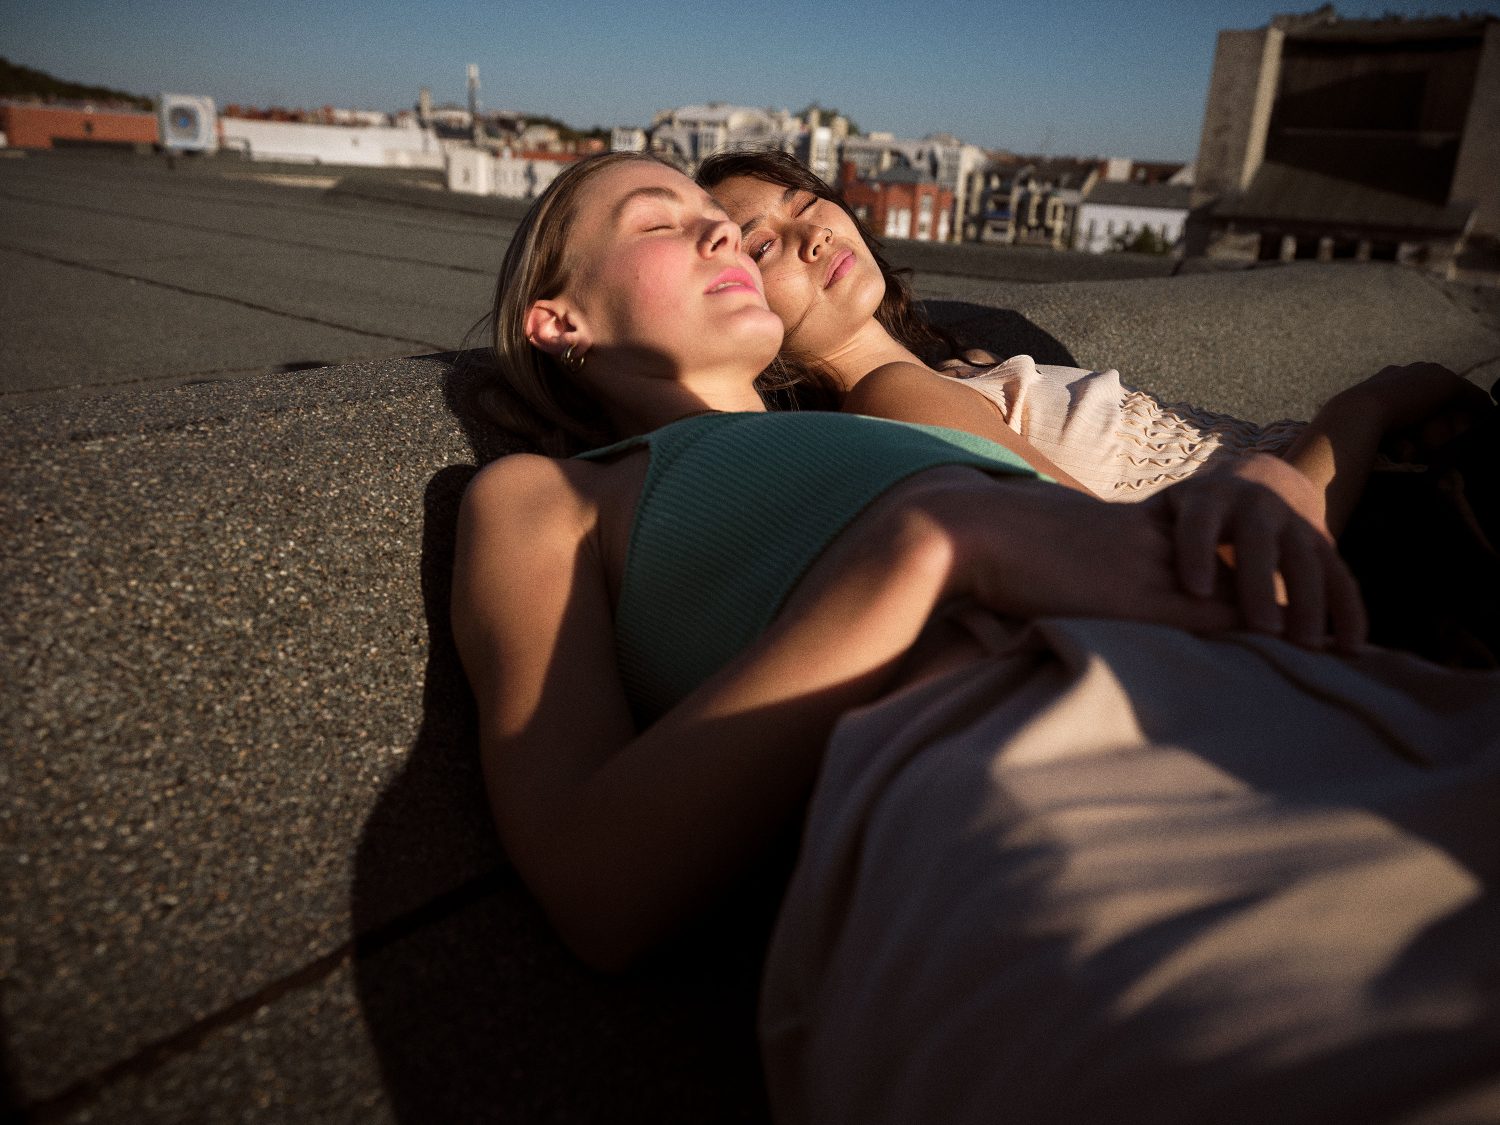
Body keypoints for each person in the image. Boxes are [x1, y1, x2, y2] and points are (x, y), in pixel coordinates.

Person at [453, 151, 1500, 1123]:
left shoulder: (891, 407)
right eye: (663, 222)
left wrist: (1256, 501)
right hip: (1034, 788)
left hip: (1303, 702)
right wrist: (929, 542)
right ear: (559, 321)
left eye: (716, 218)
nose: (722, 235)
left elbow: (1139, 560)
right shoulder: (546, 498)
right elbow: (596, 884)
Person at [697, 147, 1500, 663]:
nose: (814, 237)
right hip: (1371, 543)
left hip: (1389, 491)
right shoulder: (890, 398)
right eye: (762, 243)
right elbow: (1173, 580)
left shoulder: (955, 358)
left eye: (806, 204)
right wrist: (1366, 406)